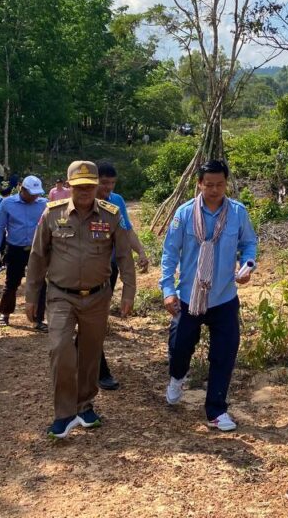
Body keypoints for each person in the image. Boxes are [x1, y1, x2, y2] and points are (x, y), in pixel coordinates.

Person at [25, 160, 135, 440]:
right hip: (61, 295)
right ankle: (64, 413)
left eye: (89, 185)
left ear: (96, 186)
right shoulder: (52, 214)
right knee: (60, 348)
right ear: (69, 186)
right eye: (79, 186)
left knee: (90, 353)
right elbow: (37, 256)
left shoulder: (111, 215)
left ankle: (84, 406)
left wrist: (128, 292)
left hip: (97, 297)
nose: (85, 191)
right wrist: (31, 296)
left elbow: (124, 255)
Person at [161, 160, 257, 432]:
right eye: (209, 185)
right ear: (199, 184)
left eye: (220, 185)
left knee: (224, 354)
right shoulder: (184, 214)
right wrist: (168, 290)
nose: (215, 190)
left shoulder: (237, 213)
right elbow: (170, 253)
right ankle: (177, 377)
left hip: (224, 297)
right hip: (188, 297)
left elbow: (249, 243)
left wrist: (248, 265)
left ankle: (216, 410)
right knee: (180, 347)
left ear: (226, 184)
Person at [95, 161, 151, 390]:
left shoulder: (116, 201)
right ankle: (98, 370)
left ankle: (92, 364)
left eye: (112, 183)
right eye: (104, 183)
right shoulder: (82, 202)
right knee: (93, 320)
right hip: (84, 271)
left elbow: (126, 231)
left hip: (109, 269)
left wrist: (141, 252)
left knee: (97, 318)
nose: (108, 187)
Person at [0, 175, 49, 330]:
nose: (35, 197)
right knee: (11, 283)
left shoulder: (44, 204)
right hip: (15, 249)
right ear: (22, 189)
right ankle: (5, 313)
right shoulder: (7, 203)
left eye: (37, 194)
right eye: (31, 193)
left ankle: (38, 319)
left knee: (40, 284)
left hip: (36, 250)